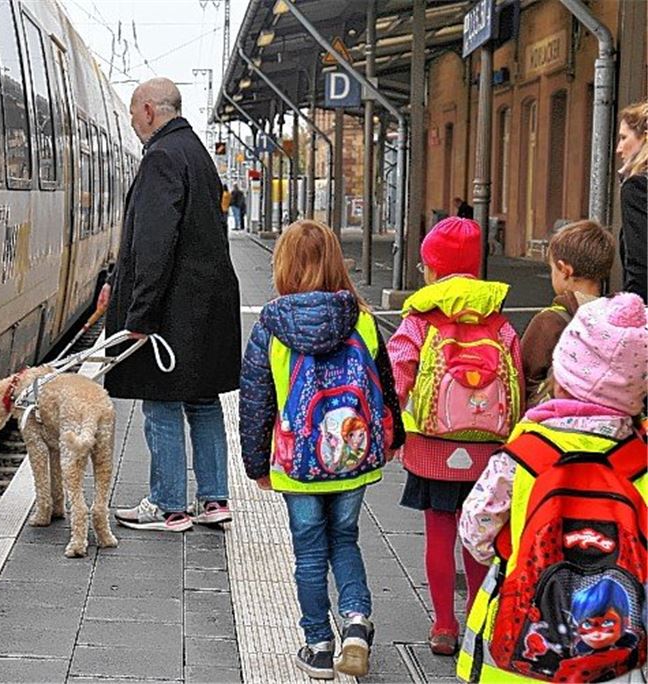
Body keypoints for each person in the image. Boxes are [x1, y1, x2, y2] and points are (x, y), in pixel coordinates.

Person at [239, 220, 405, 679]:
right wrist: (395, 440)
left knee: (309, 553)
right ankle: (355, 623)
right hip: (352, 460)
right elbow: (386, 389)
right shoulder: (364, 321)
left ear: (283, 266)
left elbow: (256, 402)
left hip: (298, 465)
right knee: (345, 538)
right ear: (336, 263)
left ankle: (317, 645)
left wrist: (257, 464)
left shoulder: (270, 328)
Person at [457, 293, 648, 683]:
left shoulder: (526, 452)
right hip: (617, 659)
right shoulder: (641, 462)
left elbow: (475, 531)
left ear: (562, 375)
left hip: (522, 651)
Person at [102, 78, 242, 532]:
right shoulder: (196, 153)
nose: (133, 124)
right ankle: (214, 499)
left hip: (172, 310)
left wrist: (139, 315)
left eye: (132, 116)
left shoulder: (162, 157)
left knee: (160, 401)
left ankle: (168, 505)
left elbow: (154, 244)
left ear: (147, 110)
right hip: (207, 306)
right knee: (202, 400)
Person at [388, 216, 525, 656]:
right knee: (479, 533)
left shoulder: (420, 318)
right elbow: (517, 376)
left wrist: (390, 430)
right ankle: (476, 619)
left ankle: (443, 624)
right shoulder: (498, 320)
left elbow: (398, 375)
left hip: (431, 446)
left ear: (434, 268)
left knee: (439, 534)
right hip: (488, 449)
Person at [521, 220, 615, 406]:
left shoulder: (549, 321)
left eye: (552, 269)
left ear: (565, 270)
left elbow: (524, 376)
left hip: (556, 426)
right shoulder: (618, 321)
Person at [617, 102, 647, 302]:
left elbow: (641, 263)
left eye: (623, 138)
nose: (619, 148)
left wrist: (630, 310)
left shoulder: (637, 188)